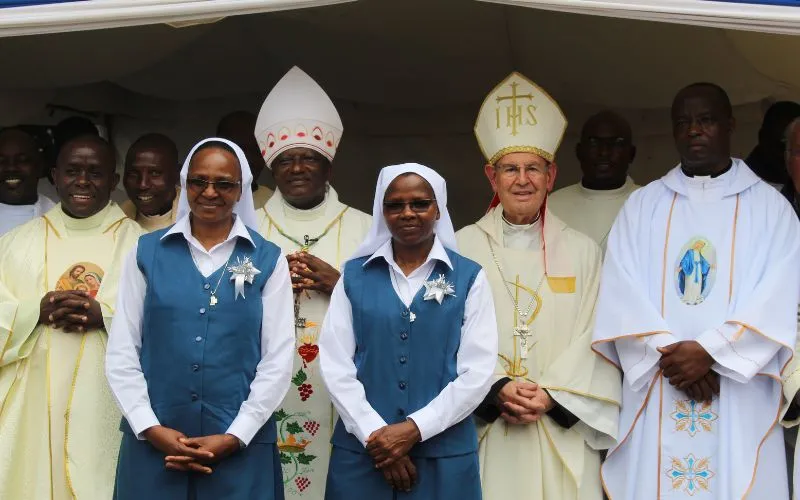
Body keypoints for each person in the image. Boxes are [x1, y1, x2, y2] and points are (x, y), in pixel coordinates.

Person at [593, 82, 800, 499]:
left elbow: (779, 294)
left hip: (739, 391)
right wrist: (673, 356)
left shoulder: (770, 208)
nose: (694, 131)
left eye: (705, 120)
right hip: (659, 384)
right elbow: (620, 290)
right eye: (683, 123)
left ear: (729, 126)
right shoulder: (643, 206)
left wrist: (711, 353)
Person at [457, 72, 620, 500]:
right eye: (511, 169)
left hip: (561, 430)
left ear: (552, 176)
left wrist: (551, 396)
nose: (522, 180)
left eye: (534, 168)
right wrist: (496, 389)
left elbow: (599, 336)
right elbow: (444, 336)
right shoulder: (460, 249)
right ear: (492, 177)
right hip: (488, 432)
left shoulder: (584, 253)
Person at [106, 138, 294, 500]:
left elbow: (278, 358)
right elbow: (122, 350)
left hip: (239, 446)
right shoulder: (146, 253)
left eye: (224, 183)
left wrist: (236, 434)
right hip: (154, 445)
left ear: (241, 189)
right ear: (184, 184)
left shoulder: (269, 259)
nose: (210, 192)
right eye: (198, 181)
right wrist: (149, 427)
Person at [320, 163, 498, 499]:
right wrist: (378, 437)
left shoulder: (470, 278)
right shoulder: (354, 277)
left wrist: (415, 430)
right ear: (381, 212)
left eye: (420, 203)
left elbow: (477, 372)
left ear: (438, 209)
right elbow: (335, 363)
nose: (408, 213)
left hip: (442, 456)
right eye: (395, 205)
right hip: (363, 455)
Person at [0, 134, 142, 500]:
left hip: (105, 401)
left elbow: (164, 320)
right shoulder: (17, 243)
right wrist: (36, 311)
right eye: (73, 171)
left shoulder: (140, 245)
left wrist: (106, 315)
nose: (83, 181)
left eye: (95, 173)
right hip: (33, 398)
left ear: (113, 181)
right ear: (54, 175)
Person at [254, 65, 372, 497]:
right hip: (266, 389)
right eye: (286, 159)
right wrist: (265, 287)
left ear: (329, 164)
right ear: (271, 166)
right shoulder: (249, 233)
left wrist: (341, 284)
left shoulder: (367, 229)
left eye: (309, 157)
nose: (298, 167)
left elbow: (397, 310)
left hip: (343, 392)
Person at [548, 111, 639, 251]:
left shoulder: (649, 203)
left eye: (616, 143)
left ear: (631, 154)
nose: (604, 152)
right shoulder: (552, 206)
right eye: (594, 143)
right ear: (579, 152)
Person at [120, 133, 181, 231]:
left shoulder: (198, 222)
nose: (142, 185)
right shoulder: (115, 222)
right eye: (133, 174)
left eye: (155, 173)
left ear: (177, 174)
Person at [0, 127, 55, 235]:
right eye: (1, 161)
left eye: (22, 160)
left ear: (39, 166)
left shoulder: (59, 218)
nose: (11, 168)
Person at [217, 110, 274, 208]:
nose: (249, 159)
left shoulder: (274, 203)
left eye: (257, 150)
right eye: (240, 149)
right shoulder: (196, 201)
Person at [746, 100, 800, 190]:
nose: (787, 156)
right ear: (762, 137)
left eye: (795, 149)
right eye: (782, 145)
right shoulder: (740, 187)